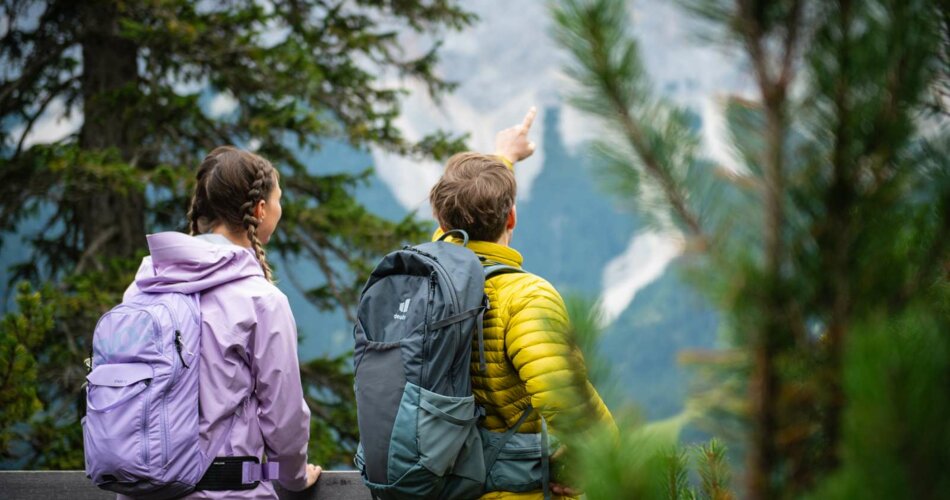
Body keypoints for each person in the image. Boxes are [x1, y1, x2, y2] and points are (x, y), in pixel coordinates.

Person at [429, 109, 616, 499]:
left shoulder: (428, 279)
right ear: (511, 217)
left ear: (440, 220)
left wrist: (503, 159)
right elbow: (565, 401)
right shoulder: (527, 297)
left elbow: (454, 230)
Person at [122, 146, 320, 499]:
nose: (279, 209)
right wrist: (291, 476)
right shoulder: (261, 300)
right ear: (260, 211)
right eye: (278, 200)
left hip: (139, 490)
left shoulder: (143, 287)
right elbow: (283, 417)